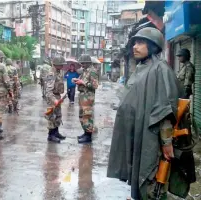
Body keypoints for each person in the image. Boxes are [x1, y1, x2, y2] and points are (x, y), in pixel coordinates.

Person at [107, 27, 184, 199]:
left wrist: (166, 143)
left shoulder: (160, 69)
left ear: (153, 46)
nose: (135, 46)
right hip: (139, 134)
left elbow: (164, 110)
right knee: (140, 177)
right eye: (135, 42)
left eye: (141, 42)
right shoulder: (142, 68)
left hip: (153, 138)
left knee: (152, 182)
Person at [74, 55, 99, 144]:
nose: (82, 65)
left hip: (88, 97)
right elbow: (83, 81)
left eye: (83, 63)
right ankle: (85, 133)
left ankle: (88, 136)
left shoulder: (92, 71)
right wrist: (78, 80)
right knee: (82, 116)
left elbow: (95, 85)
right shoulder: (84, 71)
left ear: (87, 63)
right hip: (82, 96)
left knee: (87, 116)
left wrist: (83, 82)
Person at [45, 55, 67, 143]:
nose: (62, 66)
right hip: (52, 98)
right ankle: (51, 135)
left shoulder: (59, 72)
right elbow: (48, 91)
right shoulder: (51, 74)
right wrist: (54, 100)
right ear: (56, 64)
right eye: (61, 64)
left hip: (57, 96)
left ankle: (56, 132)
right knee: (51, 117)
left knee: (58, 115)